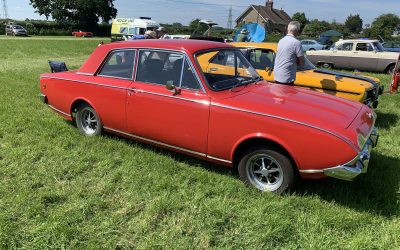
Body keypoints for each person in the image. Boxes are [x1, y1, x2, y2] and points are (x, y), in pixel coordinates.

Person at [273, 21, 304, 85]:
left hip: (277, 74)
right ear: (297, 31)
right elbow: (302, 62)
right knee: (287, 94)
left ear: (288, 29)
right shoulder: (296, 42)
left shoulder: (281, 40)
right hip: (287, 76)